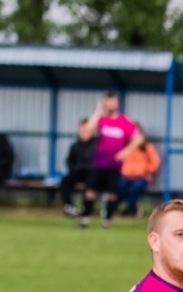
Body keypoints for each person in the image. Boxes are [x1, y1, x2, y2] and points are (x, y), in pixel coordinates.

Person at [82, 93, 142, 229]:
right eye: (108, 101)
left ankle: (107, 221)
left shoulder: (124, 121)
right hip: (98, 164)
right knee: (90, 192)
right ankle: (85, 219)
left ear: (117, 103)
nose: (110, 104)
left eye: (113, 101)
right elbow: (88, 129)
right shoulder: (102, 120)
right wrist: (98, 110)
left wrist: (126, 151)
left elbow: (139, 138)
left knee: (112, 194)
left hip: (114, 166)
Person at [117, 127, 161, 217]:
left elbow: (155, 162)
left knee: (136, 187)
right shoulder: (125, 147)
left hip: (141, 176)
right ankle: (121, 206)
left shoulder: (147, 147)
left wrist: (147, 170)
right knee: (120, 186)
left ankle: (130, 208)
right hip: (126, 176)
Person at [61, 118, 98, 217]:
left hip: (91, 173)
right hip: (77, 172)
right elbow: (69, 161)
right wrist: (75, 168)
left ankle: (86, 211)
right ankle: (69, 206)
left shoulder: (97, 145)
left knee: (91, 185)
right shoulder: (75, 145)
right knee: (65, 181)